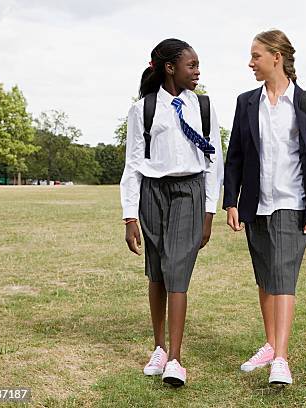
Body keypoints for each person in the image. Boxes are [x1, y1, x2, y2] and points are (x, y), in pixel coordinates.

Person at [223, 29, 306, 385]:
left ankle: (281, 359)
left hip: (292, 203)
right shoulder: (246, 102)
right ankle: (270, 344)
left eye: (256, 55)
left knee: (283, 279)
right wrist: (231, 201)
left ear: (276, 57)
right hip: (256, 205)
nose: (250, 62)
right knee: (266, 279)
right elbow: (235, 156)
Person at [120, 38, 223, 387]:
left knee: (178, 269)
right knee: (158, 271)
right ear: (169, 68)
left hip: (189, 192)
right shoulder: (143, 109)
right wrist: (129, 216)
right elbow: (133, 165)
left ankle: (176, 360)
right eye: (191, 65)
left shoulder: (203, 107)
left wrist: (209, 211)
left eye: (197, 65)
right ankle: (159, 349)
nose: (197, 71)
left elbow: (214, 163)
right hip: (153, 192)